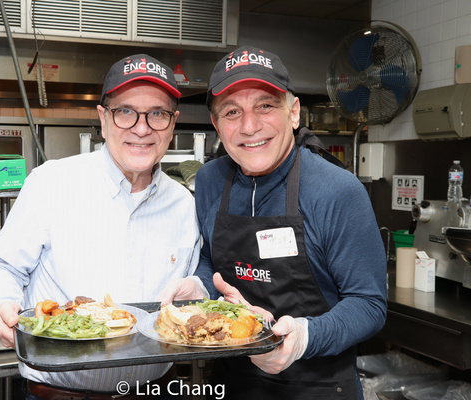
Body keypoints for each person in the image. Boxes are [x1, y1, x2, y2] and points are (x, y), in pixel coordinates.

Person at [160, 46, 387, 399]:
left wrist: (305, 337)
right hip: (231, 382)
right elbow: (214, 258)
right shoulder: (208, 181)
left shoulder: (336, 190)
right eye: (232, 112)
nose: (250, 126)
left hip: (319, 384)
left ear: (293, 112)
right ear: (217, 125)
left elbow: (369, 303)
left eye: (265, 106)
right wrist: (201, 287)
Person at [0, 53, 202, 398]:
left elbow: (187, 299)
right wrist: (0, 305)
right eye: (125, 111)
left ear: (173, 123)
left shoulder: (185, 205)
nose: (142, 129)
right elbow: (1, 267)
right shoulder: (52, 183)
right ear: (103, 118)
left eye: (157, 114)